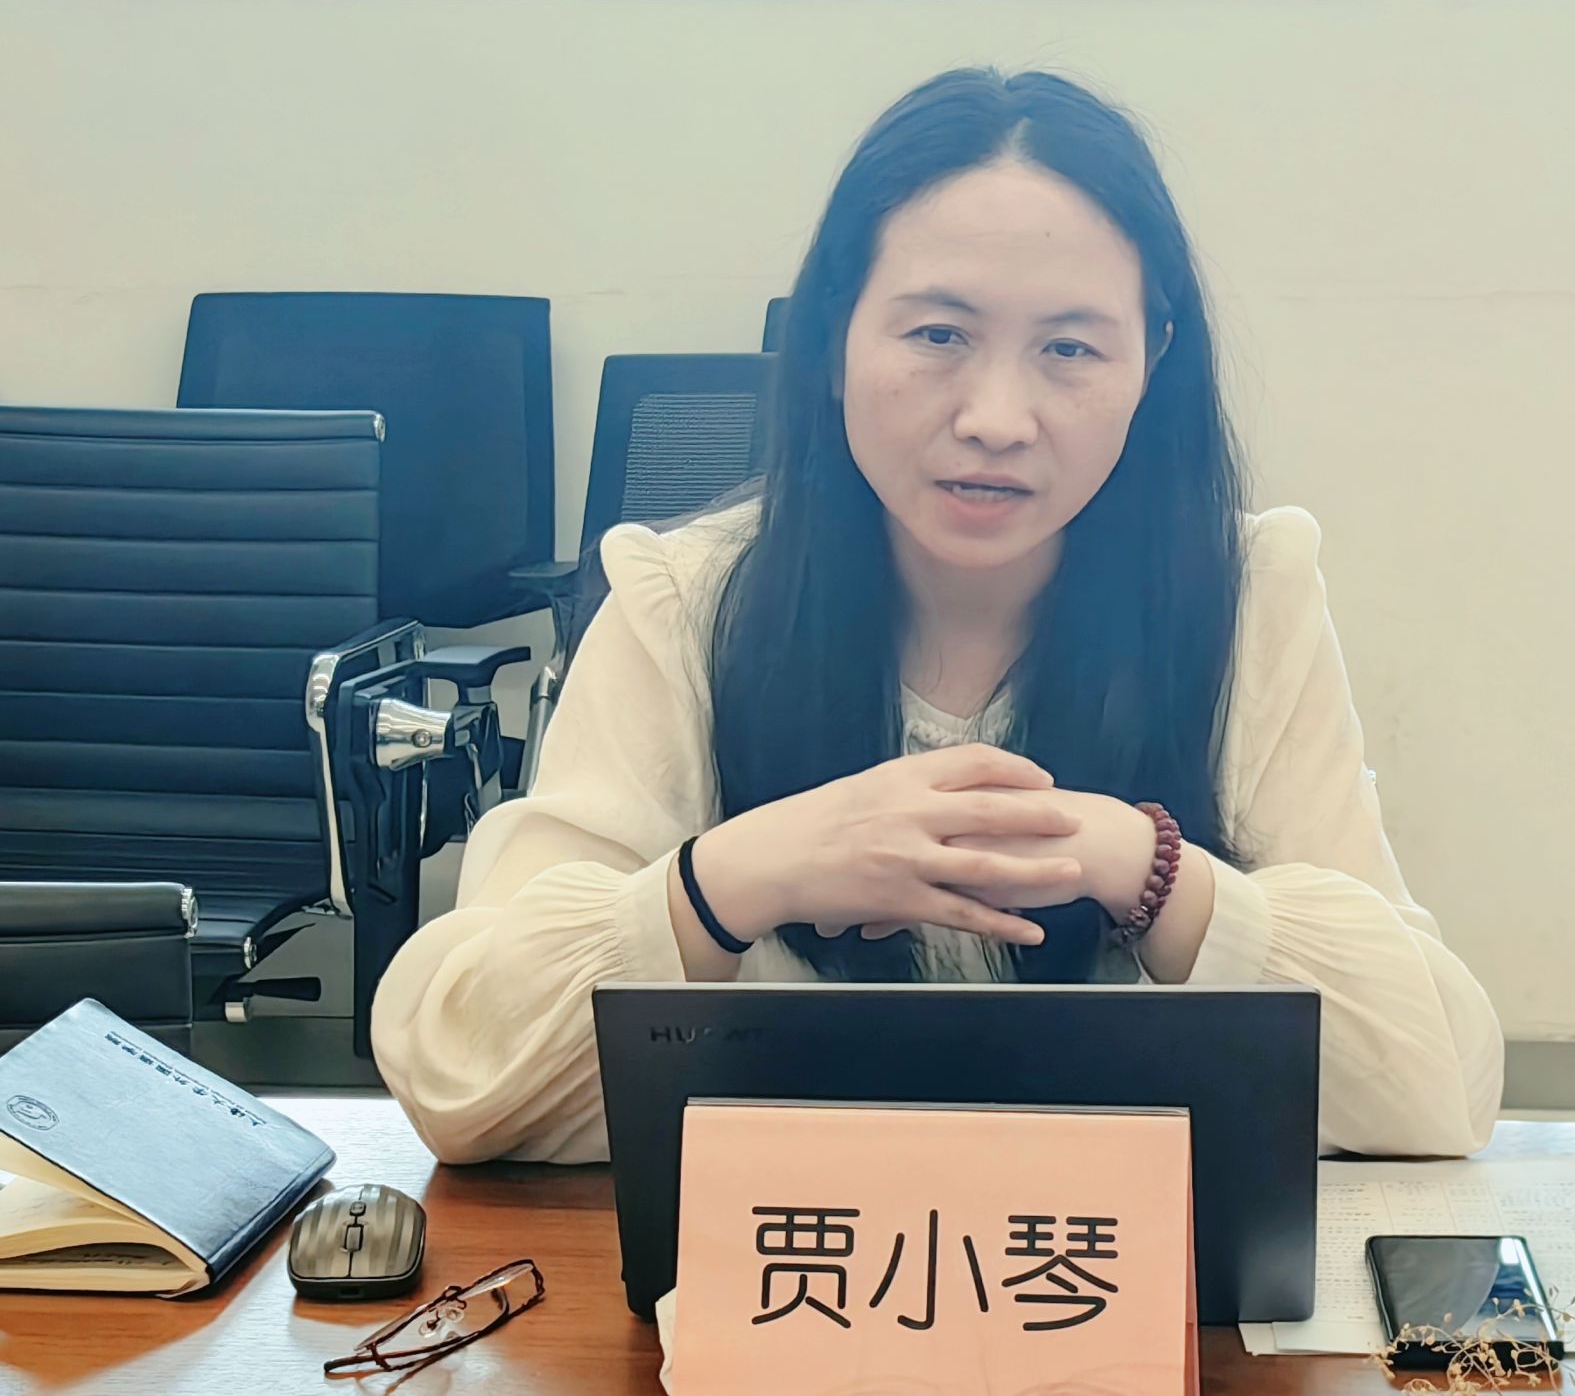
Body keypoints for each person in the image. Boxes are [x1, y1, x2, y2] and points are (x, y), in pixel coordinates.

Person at [373, 68, 1503, 1166]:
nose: (996, 418)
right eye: (938, 334)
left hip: (1110, 1273)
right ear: (832, 341)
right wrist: (741, 876)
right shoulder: (682, 602)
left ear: (1151, 361)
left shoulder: (1247, 594)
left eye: (1069, 348)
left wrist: (1143, 866)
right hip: (795, 1267)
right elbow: (464, 1078)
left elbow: (1436, 1082)